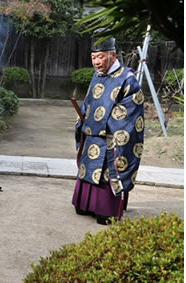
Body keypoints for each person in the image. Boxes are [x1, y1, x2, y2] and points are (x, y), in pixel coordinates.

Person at [72, 32, 146, 225]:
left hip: (110, 138)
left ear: (112, 55)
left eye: (101, 57)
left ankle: (106, 209)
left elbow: (130, 112)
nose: (96, 62)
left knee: (107, 175)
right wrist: (84, 119)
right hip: (91, 136)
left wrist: (102, 123)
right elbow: (89, 102)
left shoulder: (128, 79)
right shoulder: (97, 76)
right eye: (93, 57)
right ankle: (85, 204)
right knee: (87, 169)